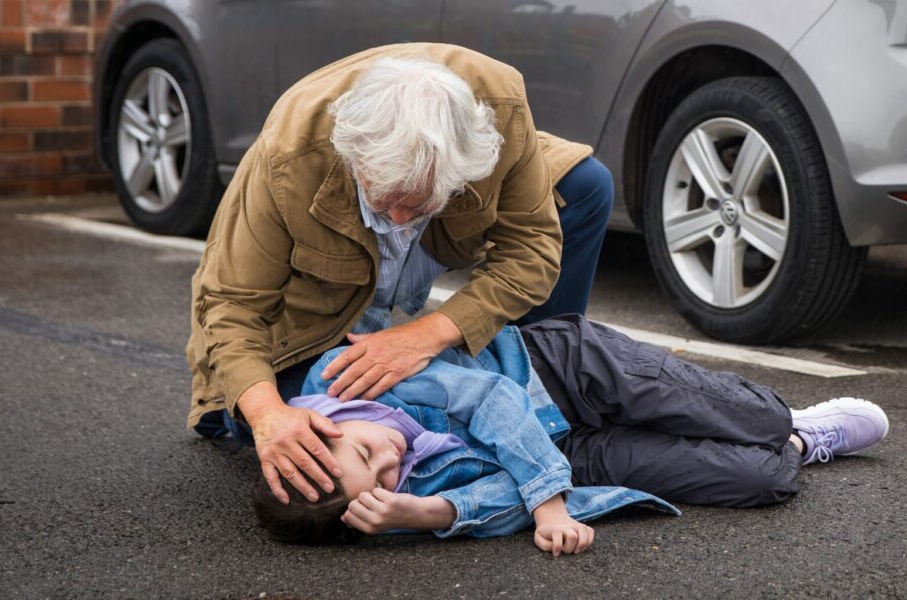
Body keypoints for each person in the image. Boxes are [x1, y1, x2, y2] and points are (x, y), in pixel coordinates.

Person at [186, 44, 615, 506]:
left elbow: (531, 250)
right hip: (315, 317)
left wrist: (427, 335)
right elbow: (232, 305)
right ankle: (481, 451)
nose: (397, 216)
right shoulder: (290, 156)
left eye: (418, 202)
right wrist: (266, 413)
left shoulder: (500, 106)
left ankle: (550, 388)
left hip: (445, 204)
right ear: (353, 156)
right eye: (383, 196)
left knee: (585, 184)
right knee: (306, 438)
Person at [250, 314, 890, 553]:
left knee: (760, 421)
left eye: (366, 448)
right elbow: (504, 492)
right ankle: (806, 445)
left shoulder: (349, 383)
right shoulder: (402, 496)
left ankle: (789, 421)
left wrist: (548, 503)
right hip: (564, 453)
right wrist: (432, 511)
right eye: (384, 478)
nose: (392, 458)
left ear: (323, 424)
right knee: (764, 477)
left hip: (560, 373)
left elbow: (494, 400)